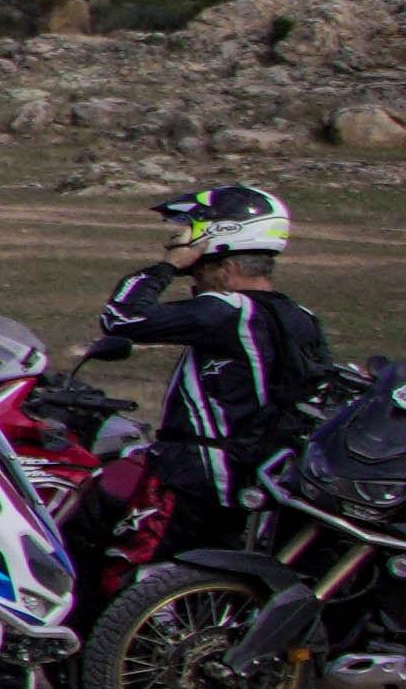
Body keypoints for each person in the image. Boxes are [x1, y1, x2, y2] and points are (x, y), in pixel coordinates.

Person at [92, 183, 330, 557]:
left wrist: (168, 266)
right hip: (254, 479)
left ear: (227, 268)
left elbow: (121, 317)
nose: (195, 284)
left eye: (199, 272)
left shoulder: (229, 310)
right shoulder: (301, 317)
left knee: (135, 566)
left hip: (195, 478)